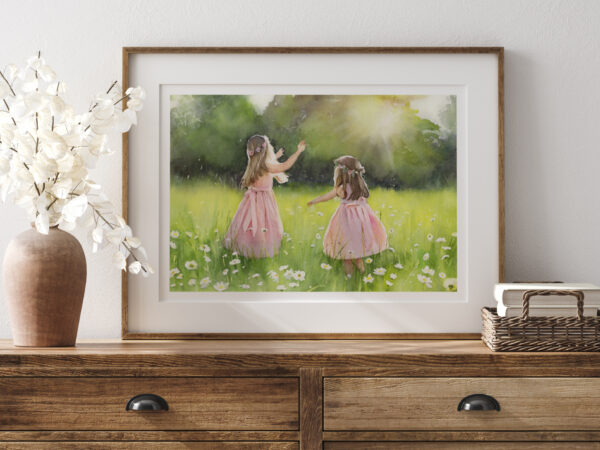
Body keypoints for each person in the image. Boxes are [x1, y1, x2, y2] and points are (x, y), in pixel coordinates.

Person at [224, 135, 306, 258]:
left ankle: (245, 247)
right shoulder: (266, 166)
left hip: (250, 199)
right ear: (265, 151)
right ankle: (261, 249)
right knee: (264, 224)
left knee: (248, 223)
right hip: (264, 200)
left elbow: (267, 163)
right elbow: (284, 166)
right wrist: (298, 152)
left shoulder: (253, 164)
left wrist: (276, 156)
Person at [308, 155, 387, 275]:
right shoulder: (360, 186)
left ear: (341, 173)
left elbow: (326, 197)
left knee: (347, 253)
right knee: (357, 253)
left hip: (346, 220)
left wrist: (314, 201)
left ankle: (349, 278)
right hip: (360, 221)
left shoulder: (341, 188)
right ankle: (361, 275)